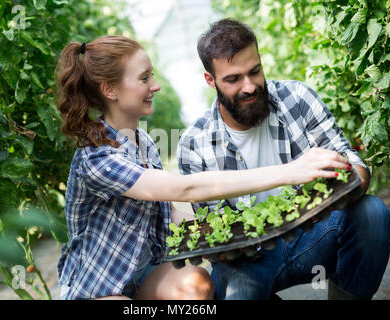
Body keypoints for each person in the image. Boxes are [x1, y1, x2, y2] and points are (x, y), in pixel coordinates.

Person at [55, 35, 352, 300]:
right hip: (97, 287)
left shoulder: (142, 141)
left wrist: (218, 230)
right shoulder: (96, 157)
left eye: (152, 76)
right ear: (110, 90)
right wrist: (290, 172)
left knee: (196, 286)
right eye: (144, 79)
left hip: (144, 272)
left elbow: (170, 208)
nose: (155, 86)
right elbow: (184, 189)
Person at [177, 18, 390, 300]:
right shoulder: (194, 144)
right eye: (233, 79)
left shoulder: (297, 98)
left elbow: (351, 163)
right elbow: (215, 228)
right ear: (211, 80)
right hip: (251, 261)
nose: (250, 86)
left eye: (255, 71)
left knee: (371, 212)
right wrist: (230, 246)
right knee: (236, 292)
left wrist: (352, 176)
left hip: (314, 233)